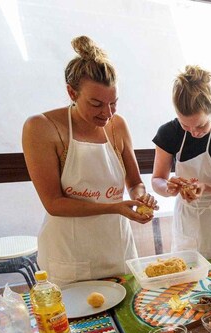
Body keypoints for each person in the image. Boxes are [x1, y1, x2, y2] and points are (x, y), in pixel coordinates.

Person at [23, 36, 156, 286]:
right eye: (96, 104)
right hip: (70, 254)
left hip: (118, 248)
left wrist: (140, 197)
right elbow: (54, 203)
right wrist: (114, 207)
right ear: (71, 92)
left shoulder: (118, 125)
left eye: (113, 103)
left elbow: (135, 181)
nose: (107, 113)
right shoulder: (41, 127)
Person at [152, 66, 211, 259]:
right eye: (185, 125)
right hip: (187, 224)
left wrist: (205, 187)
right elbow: (157, 180)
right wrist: (168, 188)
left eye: (201, 125)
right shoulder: (168, 133)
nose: (194, 132)